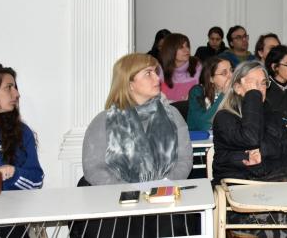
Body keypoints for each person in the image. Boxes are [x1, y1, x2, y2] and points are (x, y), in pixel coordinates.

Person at [79, 54, 194, 237]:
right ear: (129, 83)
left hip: (163, 198)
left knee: (171, 225)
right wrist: (130, 192)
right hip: (116, 200)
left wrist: (160, 188)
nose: (157, 78)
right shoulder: (103, 121)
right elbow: (94, 169)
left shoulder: (173, 115)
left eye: (156, 72)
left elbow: (184, 160)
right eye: (148, 73)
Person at [212, 61, 287, 184]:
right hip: (237, 189)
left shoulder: (273, 117)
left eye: (263, 83)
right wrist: (253, 96)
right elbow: (251, 138)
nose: (259, 89)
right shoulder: (224, 118)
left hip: (275, 184)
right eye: (253, 83)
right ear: (238, 88)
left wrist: (262, 162)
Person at [0, 64, 44, 238]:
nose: (16, 94)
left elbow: (37, 180)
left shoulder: (22, 133)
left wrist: (12, 172)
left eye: (15, 87)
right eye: (9, 88)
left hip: (11, 220)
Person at [186, 57, 232, 131]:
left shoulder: (236, 92)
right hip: (199, 139)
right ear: (211, 78)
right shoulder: (197, 92)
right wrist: (224, 94)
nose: (231, 76)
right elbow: (203, 125)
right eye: (224, 73)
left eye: (231, 70)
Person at [159, 33, 201, 102]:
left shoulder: (197, 67)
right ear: (170, 50)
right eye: (181, 47)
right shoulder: (160, 69)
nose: (186, 50)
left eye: (187, 46)